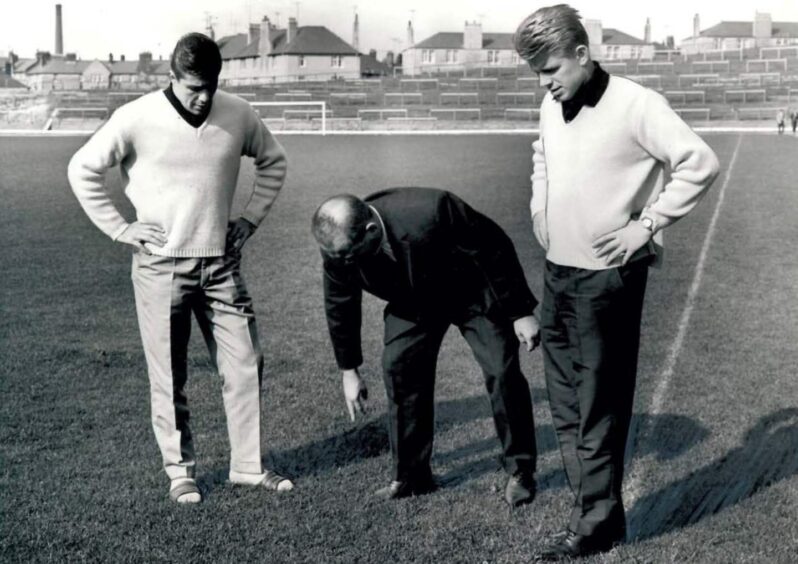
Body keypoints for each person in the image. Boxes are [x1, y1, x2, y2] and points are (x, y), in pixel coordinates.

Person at [513, 5, 720, 560]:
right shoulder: (550, 103)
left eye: (551, 68)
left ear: (582, 54)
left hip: (607, 280)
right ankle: (600, 514)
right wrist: (539, 205)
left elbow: (699, 162)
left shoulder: (637, 104)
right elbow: (541, 158)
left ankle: (593, 523)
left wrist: (647, 226)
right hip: (557, 273)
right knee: (565, 406)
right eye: (536, 73)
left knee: (598, 405)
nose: (545, 82)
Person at [67, 33, 292, 504]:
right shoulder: (135, 118)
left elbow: (273, 161)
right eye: (194, 87)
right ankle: (180, 472)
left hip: (222, 264)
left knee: (246, 363)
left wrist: (249, 218)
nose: (204, 96)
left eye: (211, 85)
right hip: (160, 267)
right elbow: (82, 168)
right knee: (169, 375)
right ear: (172, 78)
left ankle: (248, 467)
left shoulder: (238, 112)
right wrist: (120, 228)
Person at [311, 188, 540, 505]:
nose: (342, 263)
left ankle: (521, 470)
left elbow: (494, 246)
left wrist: (520, 311)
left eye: (349, 256)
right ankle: (412, 477)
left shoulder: (432, 209)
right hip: (414, 302)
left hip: (473, 292)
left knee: (502, 372)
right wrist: (349, 370)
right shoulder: (338, 248)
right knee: (399, 367)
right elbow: (340, 305)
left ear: (372, 231)